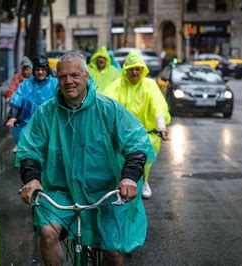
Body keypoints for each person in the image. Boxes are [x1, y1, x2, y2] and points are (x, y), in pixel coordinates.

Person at [18, 53, 156, 265]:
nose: (68, 81)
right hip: (60, 191)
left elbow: (136, 143)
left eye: (74, 75)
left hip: (107, 193)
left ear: (86, 76)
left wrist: (129, 178)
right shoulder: (46, 113)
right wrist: (32, 179)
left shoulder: (108, 109)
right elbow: (29, 149)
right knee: (47, 232)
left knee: (114, 252)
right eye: (63, 76)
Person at [100, 50, 171, 199]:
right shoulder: (117, 85)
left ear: (142, 70)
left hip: (146, 133)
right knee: (119, 159)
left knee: (143, 159)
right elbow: (106, 102)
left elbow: (158, 105)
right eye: (131, 69)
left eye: (137, 69)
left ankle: (144, 181)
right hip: (122, 132)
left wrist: (161, 126)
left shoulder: (150, 85)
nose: (134, 72)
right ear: (125, 70)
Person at [5, 55, 58, 150]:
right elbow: (16, 99)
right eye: (37, 69)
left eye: (43, 69)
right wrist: (12, 117)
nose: (40, 72)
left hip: (50, 127)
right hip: (27, 125)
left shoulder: (55, 84)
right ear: (34, 70)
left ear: (47, 70)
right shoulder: (26, 84)